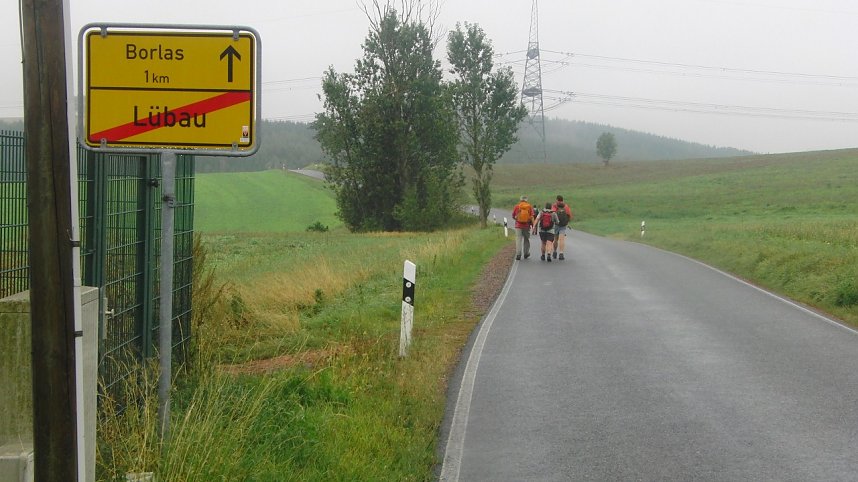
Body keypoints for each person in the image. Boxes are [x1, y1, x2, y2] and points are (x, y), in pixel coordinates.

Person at [512, 195, 534, 260]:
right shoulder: (529, 207)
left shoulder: (517, 206)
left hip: (518, 226)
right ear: (526, 200)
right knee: (526, 239)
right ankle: (526, 253)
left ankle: (518, 254)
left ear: (520, 200)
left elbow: (513, 215)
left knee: (518, 239)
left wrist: (517, 219)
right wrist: (533, 225)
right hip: (526, 226)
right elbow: (532, 216)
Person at [552, 195, 573, 260]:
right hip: (563, 225)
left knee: (555, 239)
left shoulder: (555, 205)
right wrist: (567, 223)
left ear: (557, 199)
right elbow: (569, 215)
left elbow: (552, 214)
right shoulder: (566, 206)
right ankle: (561, 253)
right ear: (562, 199)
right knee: (562, 239)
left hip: (556, 225)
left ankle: (555, 252)